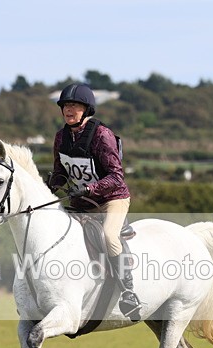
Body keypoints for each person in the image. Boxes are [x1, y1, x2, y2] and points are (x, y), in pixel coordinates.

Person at [46, 83, 142, 321]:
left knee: (109, 236)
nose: (69, 110)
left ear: (87, 109)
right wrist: (49, 188)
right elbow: (61, 172)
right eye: (66, 106)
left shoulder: (101, 135)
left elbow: (116, 176)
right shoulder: (61, 137)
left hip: (112, 199)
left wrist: (90, 187)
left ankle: (129, 292)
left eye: (75, 106)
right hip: (82, 203)